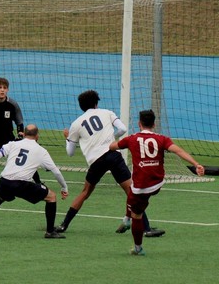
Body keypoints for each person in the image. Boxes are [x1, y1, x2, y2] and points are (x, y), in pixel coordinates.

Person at [55, 90, 164, 236]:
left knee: (85, 192)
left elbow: (70, 152)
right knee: (132, 192)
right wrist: (111, 137)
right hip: (113, 155)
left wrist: (68, 138)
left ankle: (63, 225)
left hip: (96, 160)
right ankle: (146, 228)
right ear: (96, 103)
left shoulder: (76, 124)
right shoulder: (107, 112)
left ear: (81, 106)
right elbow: (123, 129)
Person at [110, 109, 205, 256]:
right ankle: (126, 219)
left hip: (142, 186)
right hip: (157, 182)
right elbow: (178, 151)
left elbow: (113, 147)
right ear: (154, 124)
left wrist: (111, 139)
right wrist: (196, 163)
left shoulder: (131, 139)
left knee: (137, 213)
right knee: (130, 191)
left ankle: (137, 248)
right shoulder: (162, 139)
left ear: (138, 123)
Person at [0, 124, 69, 239]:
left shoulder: (13, 144)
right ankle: (50, 232)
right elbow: (56, 172)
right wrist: (64, 187)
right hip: (21, 184)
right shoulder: (41, 151)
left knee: (0, 197)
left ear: (24, 134)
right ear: (37, 136)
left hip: (4, 181)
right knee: (51, 197)